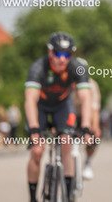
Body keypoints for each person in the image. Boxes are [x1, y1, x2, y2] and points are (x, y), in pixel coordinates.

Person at [24, 32, 93, 202]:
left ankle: (67, 195)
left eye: (67, 55)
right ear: (50, 52)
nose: (62, 59)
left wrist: (86, 127)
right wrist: (34, 128)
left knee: (66, 143)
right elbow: (30, 99)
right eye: (58, 54)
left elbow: (85, 98)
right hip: (40, 106)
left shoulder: (77, 67)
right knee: (37, 151)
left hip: (62, 106)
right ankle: (32, 197)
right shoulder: (38, 67)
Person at [71, 58, 101, 181]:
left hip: (86, 113)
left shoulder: (91, 85)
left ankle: (88, 162)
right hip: (70, 113)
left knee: (95, 136)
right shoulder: (67, 82)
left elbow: (94, 108)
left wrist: (95, 126)